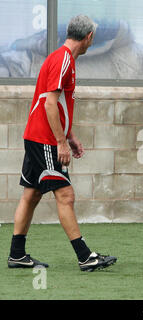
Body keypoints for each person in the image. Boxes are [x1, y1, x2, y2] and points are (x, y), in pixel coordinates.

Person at [7, 15, 117, 272]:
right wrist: (60, 143)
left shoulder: (64, 59)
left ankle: (17, 255)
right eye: (93, 38)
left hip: (38, 136)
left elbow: (58, 104)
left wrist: (70, 136)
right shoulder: (63, 59)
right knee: (65, 194)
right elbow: (49, 104)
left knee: (32, 194)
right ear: (88, 37)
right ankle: (85, 257)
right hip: (44, 139)